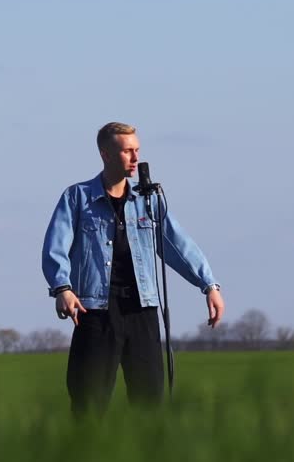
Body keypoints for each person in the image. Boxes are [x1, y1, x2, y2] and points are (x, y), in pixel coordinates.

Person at [42, 122, 224, 415]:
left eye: (137, 150)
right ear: (106, 154)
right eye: (127, 151)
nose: (135, 158)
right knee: (88, 401)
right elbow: (55, 248)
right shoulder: (77, 198)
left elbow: (178, 244)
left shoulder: (148, 201)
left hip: (142, 310)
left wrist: (209, 285)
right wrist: (62, 288)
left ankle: (148, 458)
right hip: (95, 311)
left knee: (149, 401)